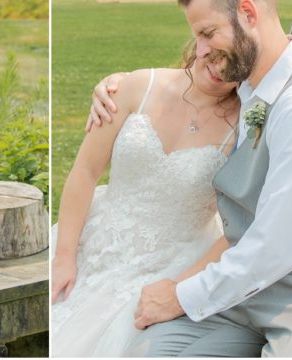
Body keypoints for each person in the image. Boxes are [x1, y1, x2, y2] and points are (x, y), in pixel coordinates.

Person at [87, 0, 292, 357]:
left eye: (208, 33)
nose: (200, 51)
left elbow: (278, 246)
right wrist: (116, 86)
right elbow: (183, 93)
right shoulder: (246, 89)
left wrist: (180, 296)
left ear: (247, 13)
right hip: (238, 289)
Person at [50, 40, 240, 356]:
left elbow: (241, 222)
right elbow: (85, 171)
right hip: (97, 240)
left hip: (172, 263)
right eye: (217, 53)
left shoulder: (246, 125)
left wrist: (180, 287)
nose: (220, 68)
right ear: (200, 36)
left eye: (234, 63)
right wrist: (65, 257)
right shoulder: (138, 85)